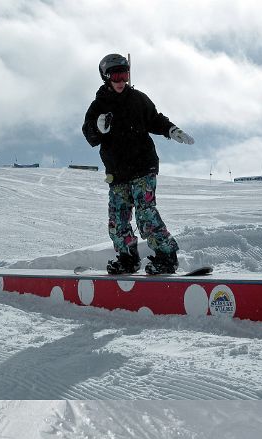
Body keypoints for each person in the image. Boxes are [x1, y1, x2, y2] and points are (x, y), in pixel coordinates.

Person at [82, 54, 194, 275]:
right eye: (116, 75)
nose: (121, 80)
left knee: (145, 214)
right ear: (106, 77)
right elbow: (90, 135)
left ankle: (166, 257)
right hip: (118, 172)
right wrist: (98, 127)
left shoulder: (138, 99)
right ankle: (127, 258)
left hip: (143, 166)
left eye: (124, 75)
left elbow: (155, 119)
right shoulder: (98, 105)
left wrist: (172, 130)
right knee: (117, 220)